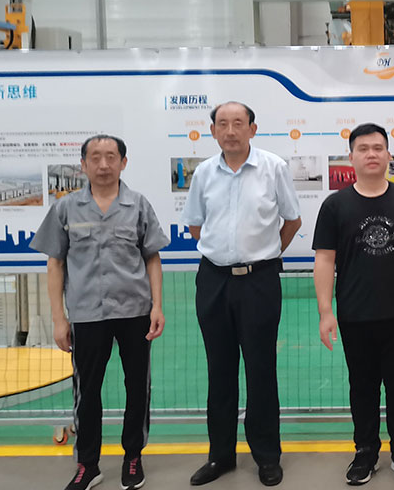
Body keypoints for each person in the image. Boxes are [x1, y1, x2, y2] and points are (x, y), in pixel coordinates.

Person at [31, 134, 167, 490]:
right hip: (87, 313)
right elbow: (55, 263)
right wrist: (59, 319)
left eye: (111, 157)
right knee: (86, 391)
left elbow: (152, 257)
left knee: (137, 386)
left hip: (134, 311)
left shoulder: (138, 205)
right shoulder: (66, 208)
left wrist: (157, 305)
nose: (103, 164)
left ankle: (133, 456)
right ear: (83, 165)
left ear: (124, 162)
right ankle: (87, 464)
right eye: (95, 157)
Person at [183, 101, 302, 487]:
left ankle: (266, 456)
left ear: (252, 129)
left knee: (261, 369)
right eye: (223, 124)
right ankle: (220, 456)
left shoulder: (273, 167)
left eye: (238, 123)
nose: (230, 131)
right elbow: (196, 226)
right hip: (213, 281)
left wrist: (264, 254)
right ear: (213, 131)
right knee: (219, 370)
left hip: (259, 282)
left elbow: (292, 220)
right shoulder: (204, 172)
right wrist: (224, 254)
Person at [313, 123, 394, 486]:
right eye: (363, 148)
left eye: (378, 148)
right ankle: (365, 453)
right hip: (356, 315)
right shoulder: (335, 205)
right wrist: (325, 312)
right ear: (351, 156)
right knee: (362, 388)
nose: (371, 154)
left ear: (388, 155)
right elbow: (324, 259)